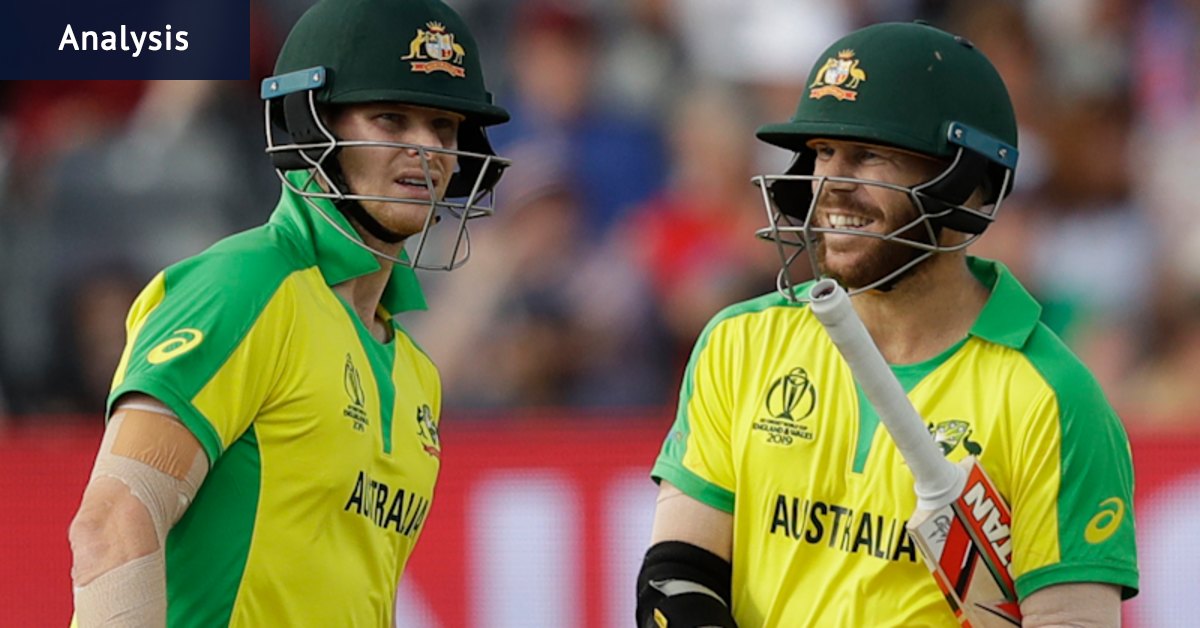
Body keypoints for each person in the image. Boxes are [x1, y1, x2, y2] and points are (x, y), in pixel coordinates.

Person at [636, 21, 1138, 627]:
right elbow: (676, 580)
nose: (831, 187)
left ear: (966, 179)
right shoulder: (740, 343)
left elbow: (1071, 618)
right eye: (823, 152)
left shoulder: (1054, 399)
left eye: (870, 154)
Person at [66, 0, 509, 625]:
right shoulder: (244, 285)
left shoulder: (416, 370)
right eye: (391, 118)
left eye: (443, 126)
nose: (427, 149)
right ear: (310, 124)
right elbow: (114, 521)